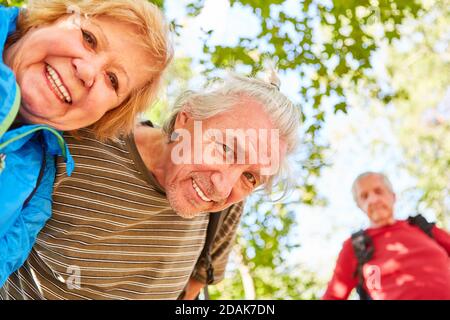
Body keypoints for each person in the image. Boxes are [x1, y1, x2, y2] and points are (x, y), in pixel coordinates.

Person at [0, 72, 300, 300]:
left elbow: (191, 290)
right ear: (186, 118)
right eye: (226, 148)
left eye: (251, 177)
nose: (223, 189)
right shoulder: (83, 139)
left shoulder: (226, 211)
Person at [0, 0, 172, 286]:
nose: (87, 72)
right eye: (89, 38)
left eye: (113, 80)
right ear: (50, 17)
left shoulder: (37, 191)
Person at [323, 172, 450, 300]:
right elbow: (333, 296)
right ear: (359, 206)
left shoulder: (423, 229)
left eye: (378, 191)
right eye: (364, 196)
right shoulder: (356, 246)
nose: (373, 200)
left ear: (393, 196)